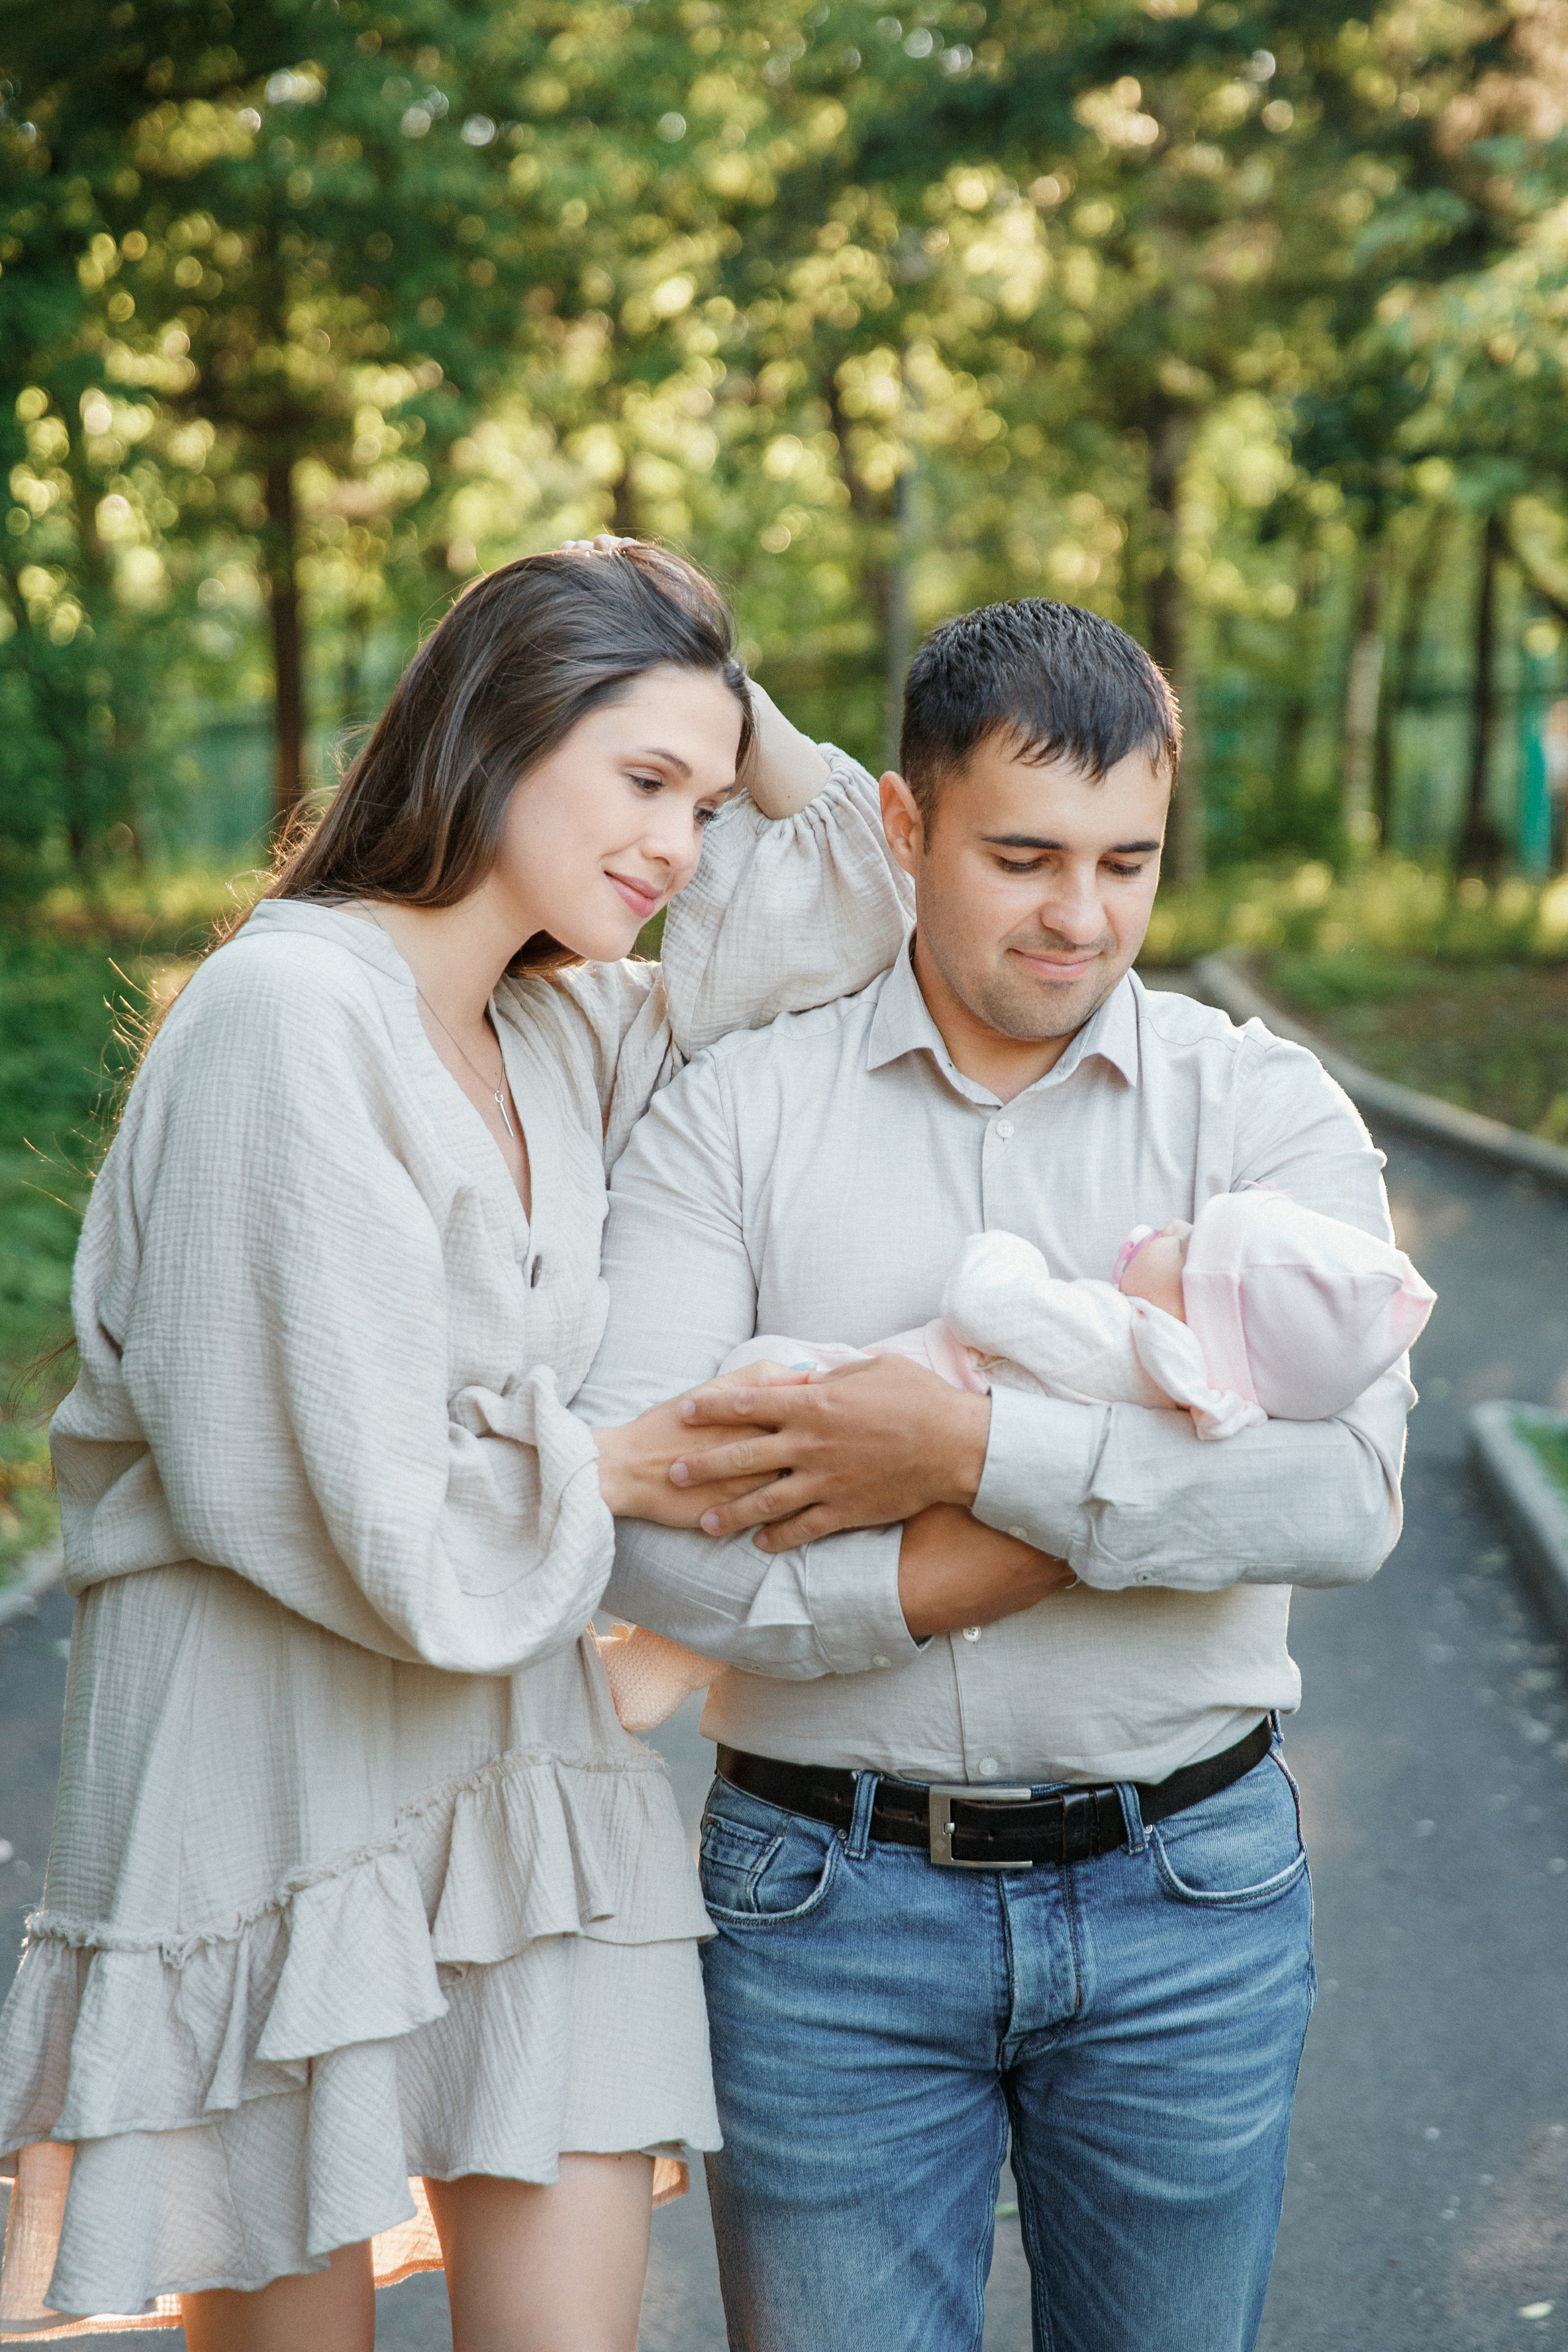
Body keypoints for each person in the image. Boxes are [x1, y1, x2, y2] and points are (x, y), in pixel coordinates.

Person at [0, 540, 913, 2350]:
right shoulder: (288, 1018)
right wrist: (633, 1470)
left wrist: (720, 688)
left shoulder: (564, 1027)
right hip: (264, 1779)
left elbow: (853, 906)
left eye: (706, 801)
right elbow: (351, 1514)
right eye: (641, 781)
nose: (680, 842)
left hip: (514, 1768)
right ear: (493, 735)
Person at [574, 596, 1416, 2352]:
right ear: (904, 826)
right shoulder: (735, 1115)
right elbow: (647, 1545)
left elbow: (1341, 1500)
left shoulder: (1261, 1114)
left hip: (1194, 1893)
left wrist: (966, 1453)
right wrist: (939, 1577)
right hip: (823, 1913)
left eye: (1129, 863)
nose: (1080, 916)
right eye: (1025, 856)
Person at [599, 1188, 1434, 1732]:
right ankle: (662, 1659)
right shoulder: (1204, 1405)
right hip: (931, 1513)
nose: (1172, 1228)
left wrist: (1009, 1246)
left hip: (853, 1408)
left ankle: (618, 1507)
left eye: (1187, 1249)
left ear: (1195, 1322)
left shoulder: (1118, 1335)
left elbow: (985, 1298)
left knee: (752, 1397)